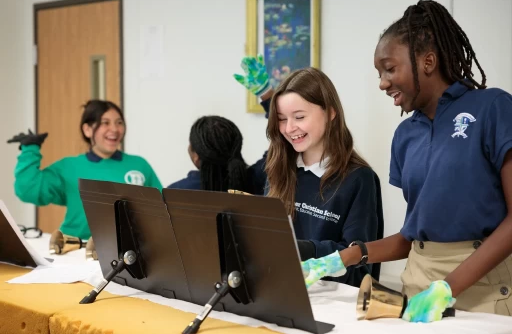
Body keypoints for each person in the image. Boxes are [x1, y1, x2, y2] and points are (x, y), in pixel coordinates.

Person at [300, 0, 512, 323]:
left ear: (428, 61)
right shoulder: (405, 135)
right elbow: (413, 236)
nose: (382, 83)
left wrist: (447, 288)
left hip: (481, 291)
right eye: (379, 73)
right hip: (417, 288)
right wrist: (341, 259)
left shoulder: (492, 108)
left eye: (389, 68)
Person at [264, 64, 384, 288]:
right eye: (281, 119)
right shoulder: (278, 168)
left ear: (330, 112)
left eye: (299, 117)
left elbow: (359, 265)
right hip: (280, 292)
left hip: (333, 304)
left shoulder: (359, 179)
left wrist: (307, 250)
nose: (289, 128)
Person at [8, 100, 162, 240]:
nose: (114, 129)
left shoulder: (139, 165)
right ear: (87, 130)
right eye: (105, 123)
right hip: (76, 248)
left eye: (119, 122)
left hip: (129, 250)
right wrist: (30, 150)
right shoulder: (68, 167)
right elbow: (27, 191)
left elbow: (160, 209)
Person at [167, 55, 271, 195]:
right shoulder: (259, 180)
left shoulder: (176, 193)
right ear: (236, 147)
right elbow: (284, 144)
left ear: (196, 156)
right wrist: (267, 95)